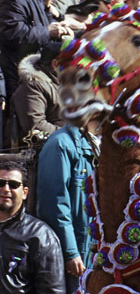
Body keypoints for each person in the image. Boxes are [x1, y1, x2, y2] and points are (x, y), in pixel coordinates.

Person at [0, 0, 70, 100]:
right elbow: (13, 33)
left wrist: (50, 14)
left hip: (34, 69)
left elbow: (39, 23)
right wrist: (47, 32)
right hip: (19, 72)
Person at [37, 122, 96, 294]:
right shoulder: (61, 143)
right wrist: (70, 252)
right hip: (75, 253)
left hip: (93, 249)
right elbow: (55, 204)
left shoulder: (96, 143)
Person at [0, 160, 65, 293]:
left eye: (13, 185)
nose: (5, 189)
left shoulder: (41, 236)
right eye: (0, 183)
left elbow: (52, 290)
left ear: (24, 193)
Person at [9, 42, 64, 143]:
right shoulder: (32, 86)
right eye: (72, 62)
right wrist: (73, 136)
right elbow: (36, 126)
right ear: (55, 64)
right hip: (47, 151)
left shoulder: (64, 81)